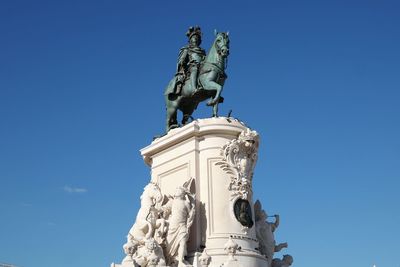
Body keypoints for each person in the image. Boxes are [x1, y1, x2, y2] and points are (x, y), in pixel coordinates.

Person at [165, 187, 195, 266]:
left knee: (183, 242)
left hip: (182, 226)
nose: (178, 192)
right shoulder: (172, 202)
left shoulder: (186, 203)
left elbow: (190, 214)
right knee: (169, 246)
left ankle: (181, 261)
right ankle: (170, 259)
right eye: (177, 191)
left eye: (180, 191)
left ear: (183, 194)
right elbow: (164, 209)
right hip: (173, 226)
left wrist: (193, 204)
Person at [174, 26, 206, 95]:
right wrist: (182, 61)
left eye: (197, 38)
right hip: (191, 66)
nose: (196, 40)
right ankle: (194, 89)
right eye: (194, 38)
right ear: (191, 40)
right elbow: (181, 59)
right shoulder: (187, 49)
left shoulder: (202, 51)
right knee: (194, 69)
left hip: (202, 66)